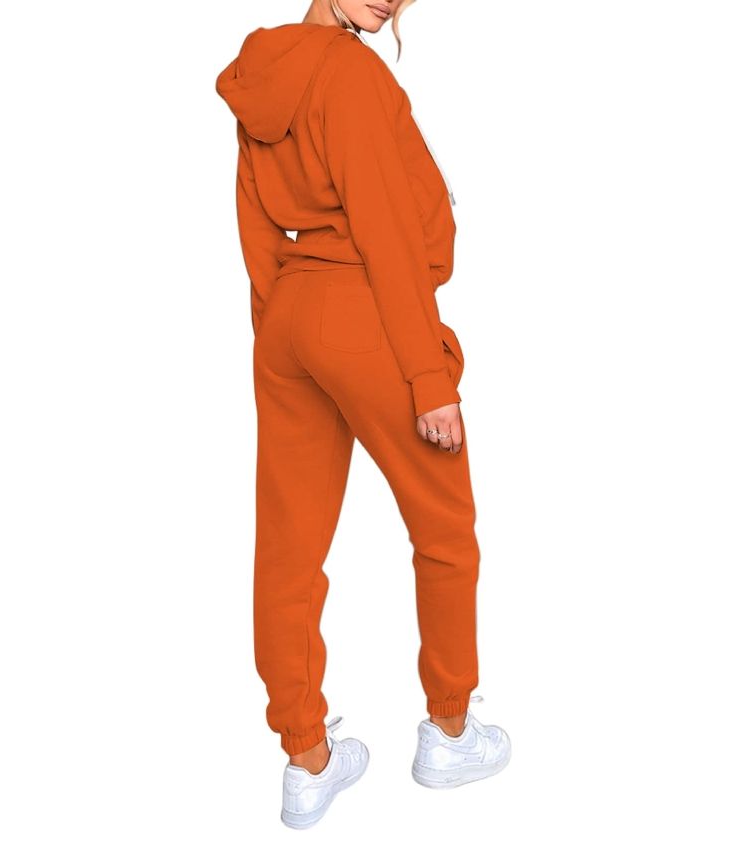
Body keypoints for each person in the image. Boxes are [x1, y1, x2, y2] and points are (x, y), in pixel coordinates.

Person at [215, 0, 511, 828]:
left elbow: (251, 215)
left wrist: (277, 335)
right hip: (367, 312)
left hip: (289, 314)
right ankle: (449, 731)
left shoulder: (262, 69)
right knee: (444, 527)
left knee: (289, 544)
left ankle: (306, 758)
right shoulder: (348, 73)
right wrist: (427, 374)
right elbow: (383, 224)